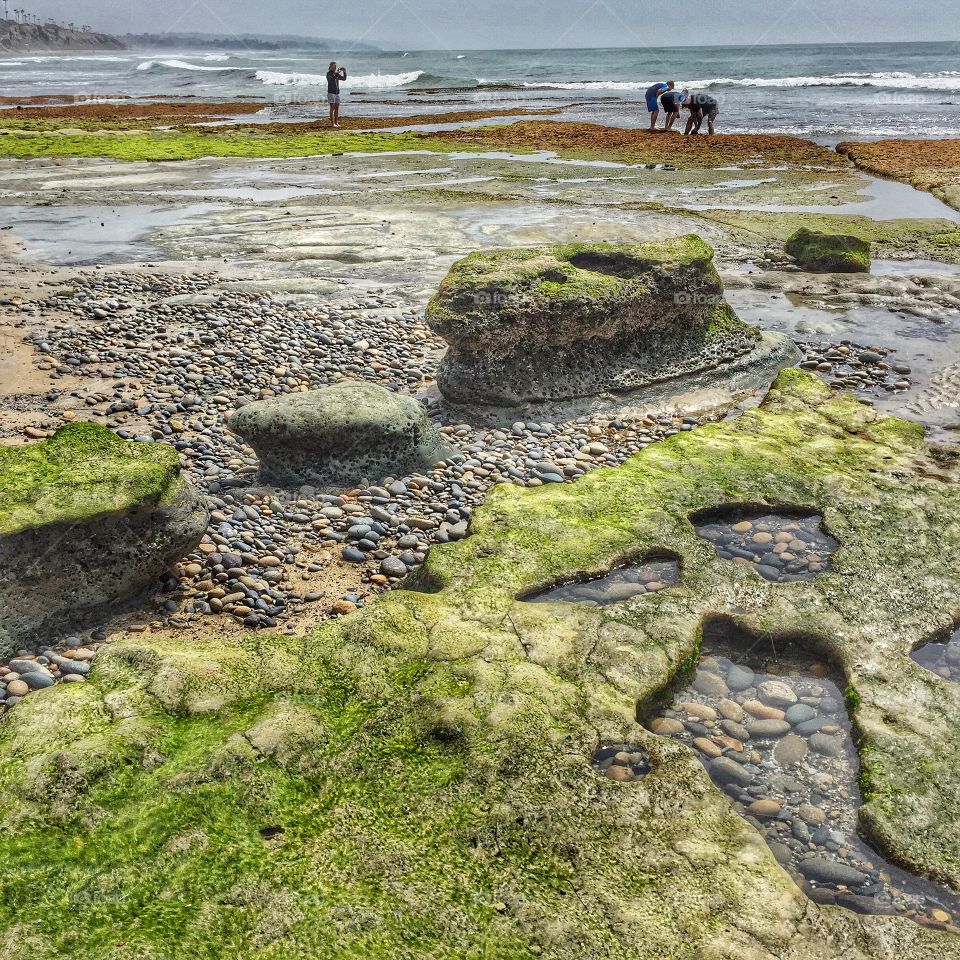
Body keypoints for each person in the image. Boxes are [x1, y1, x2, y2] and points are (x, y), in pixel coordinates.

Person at [326, 61, 347, 128]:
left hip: (337, 93)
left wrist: (344, 71)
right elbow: (331, 80)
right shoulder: (328, 74)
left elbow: (344, 79)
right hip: (331, 93)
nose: (335, 67)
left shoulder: (336, 74)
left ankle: (336, 122)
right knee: (332, 108)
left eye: (336, 66)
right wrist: (337, 73)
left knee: (337, 108)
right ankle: (333, 124)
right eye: (334, 66)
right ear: (330, 67)